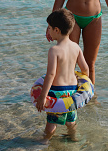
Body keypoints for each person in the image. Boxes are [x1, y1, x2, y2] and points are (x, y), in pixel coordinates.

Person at [37, 9, 90, 142]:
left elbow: (50, 74)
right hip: (72, 91)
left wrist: (43, 96)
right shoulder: (76, 47)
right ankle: (73, 138)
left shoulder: (54, 50)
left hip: (57, 92)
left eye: (49, 28)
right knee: (70, 121)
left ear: (56, 30)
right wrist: (85, 86)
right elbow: (85, 69)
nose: (48, 31)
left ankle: (44, 142)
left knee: (52, 122)